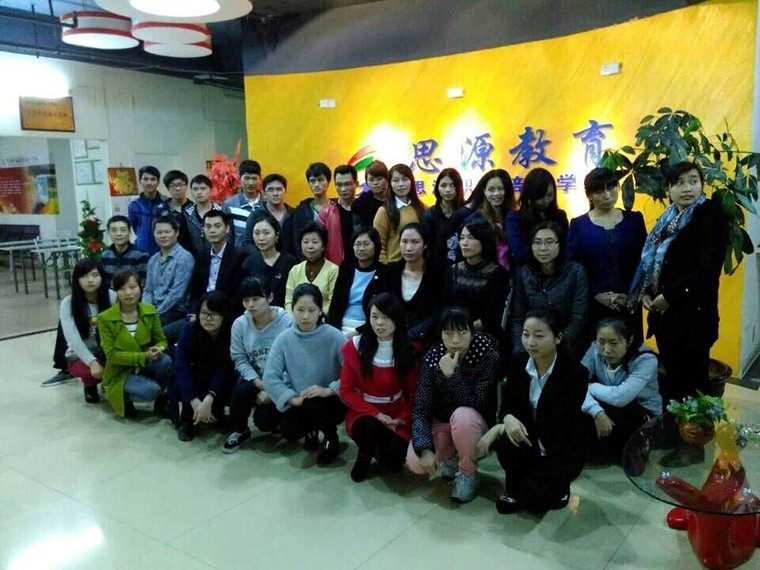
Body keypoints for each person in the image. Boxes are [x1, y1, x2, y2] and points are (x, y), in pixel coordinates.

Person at [628, 161, 727, 466]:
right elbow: (654, 264)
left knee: (693, 383)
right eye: (679, 183)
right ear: (668, 189)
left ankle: (693, 446)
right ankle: (674, 433)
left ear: (702, 185)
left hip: (693, 317)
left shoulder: (709, 215)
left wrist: (669, 296)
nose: (687, 188)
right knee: (673, 380)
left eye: (693, 181)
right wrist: (646, 293)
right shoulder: (668, 218)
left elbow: (707, 270)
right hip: (667, 319)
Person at [479, 310, 588, 514]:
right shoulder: (518, 362)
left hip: (558, 448)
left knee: (534, 500)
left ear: (558, 338)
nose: (530, 342)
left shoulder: (576, 374)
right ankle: (512, 486)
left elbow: (557, 424)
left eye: (539, 336)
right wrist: (507, 418)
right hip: (529, 442)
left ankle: (559, 485)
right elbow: (507, 405)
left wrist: (500, 427)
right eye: (525, 334)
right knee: (507, 442)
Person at [407, 306, 501, 503]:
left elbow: (477, 402)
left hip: (475, 422)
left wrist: (452, 375)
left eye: (462, 332)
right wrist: (424, 448)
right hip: (443, 422)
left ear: (472, 333)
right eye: (448, 333)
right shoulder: (433, 356)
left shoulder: (487, 354)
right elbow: (421, 407)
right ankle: (451, 458)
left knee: (463, 416)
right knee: (416, 462)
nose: (455, 340)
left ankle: (468, 472)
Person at [263, 284, 346, 466]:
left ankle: (331, 438)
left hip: (331, 400)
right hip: (302, 399)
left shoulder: (335, 336)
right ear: (292, 309)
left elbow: (353, 373)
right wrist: (293, 399)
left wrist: (328, 390)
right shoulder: (284, 339)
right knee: (290, 430)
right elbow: (270, 378)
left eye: (311, 310)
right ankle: (311, 430)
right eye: (300, 310)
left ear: (320, 311)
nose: (305, 316)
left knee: (314, 402)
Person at [340, 293, 419, 482]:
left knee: (394, 462)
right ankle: (365, 454)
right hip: (365, 411)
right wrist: (376, 414)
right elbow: (346, 391)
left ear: (397, 319)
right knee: (366, 426)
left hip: (396, 413)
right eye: (374, 317)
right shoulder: (355, 347)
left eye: (386, 317)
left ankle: (380, 446)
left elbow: (414, 394)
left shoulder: (408, 350)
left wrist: (401, 419)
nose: (379, 323)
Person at [567, 167, 647, 342]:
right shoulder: (579, 225)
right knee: (598, 350)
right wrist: (597, 294)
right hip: (594, 305)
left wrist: (633, 295)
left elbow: (645, 261)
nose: (607, 195)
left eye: (611, 188)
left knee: (630, 348)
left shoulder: (634, 220)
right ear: (589, 195)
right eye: (599, 191)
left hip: (630, 303)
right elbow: (573, 267)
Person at [224, 278, 294, 453]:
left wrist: (272, 390)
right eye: (246, 300)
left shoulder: (287, 323)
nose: (250, 305)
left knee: (265, 421)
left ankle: (280, 420)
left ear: (270, 298)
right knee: (239, 393)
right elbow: (239, 358)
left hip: (281, 379)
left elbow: (293, 362)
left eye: (256, 299)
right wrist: (257, 382)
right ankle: (239, 431)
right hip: (256, 377)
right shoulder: (240, 324)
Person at [581, 318, 661, 462]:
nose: (606, 350)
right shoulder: (594, 349)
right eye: (601, 341)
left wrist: (590, 386)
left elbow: (620, 398)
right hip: (609, 406)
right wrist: (596, 412)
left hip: (642, 413)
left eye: (614, 343)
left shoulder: (646, 359)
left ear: (629, 341)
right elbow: (575, 384)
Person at [98, 270, 173, 418]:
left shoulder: (150, 311)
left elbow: (161, 339)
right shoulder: (105, 318)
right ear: (116, 291)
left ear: (140, 287)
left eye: (133, 287)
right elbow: (112, 356)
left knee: (165, 361)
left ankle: (162, 401)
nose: (128, 293)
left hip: (144, 366)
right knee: (150, 390)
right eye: (122, 289)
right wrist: (144, 356)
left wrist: (160, 348)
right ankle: (123, 398)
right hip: (120, 371)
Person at [511, 221, 588, 355]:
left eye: (549, 242)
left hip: (566, 345)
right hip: (531, 344)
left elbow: (578, 316)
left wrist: (557, 344)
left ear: (560, 244)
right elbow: (518, 317)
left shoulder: (576, 272)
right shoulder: (524, 273)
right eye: (537, 242)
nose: (542, 248)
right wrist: (522, 348)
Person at [175, 291, 236, 441]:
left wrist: (210, 397)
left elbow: (226, 366)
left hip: (219, 378)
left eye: (214, 314)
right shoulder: (189, 329)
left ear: (224, 315)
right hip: (194, 376)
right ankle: (187, 420)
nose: (208, 318)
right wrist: (194, 400)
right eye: (204, 313)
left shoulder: (231, 332)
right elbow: (182, 365)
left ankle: (217, 412)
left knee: (231, 377)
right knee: (185, 378)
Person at [446, 213, 510, 345]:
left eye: (471, 238)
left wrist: (466, 330)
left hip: (484, 336)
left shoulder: (498, 274)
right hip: (452, 332)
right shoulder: (452, 270)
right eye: (462, 238)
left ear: (484, 240)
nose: (464, 243)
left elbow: (493, 316)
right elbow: (444, 306)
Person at [60, 259, 116, 403]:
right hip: (80, 355)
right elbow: (72, 338)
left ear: (102, 277)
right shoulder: (68, 303)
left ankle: (110, 382)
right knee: (88, 371)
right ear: (76, 279)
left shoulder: (112, 296)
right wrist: (91, 362)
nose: (90, 280)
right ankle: (89, 385)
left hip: (108, 350)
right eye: (84, 276)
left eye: (95, 275)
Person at [385, 223, 441, 346]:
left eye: (415, 242)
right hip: (391, 334)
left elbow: (439, 311)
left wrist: (413, 334)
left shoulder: (437, 273)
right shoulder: (391, 271)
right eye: (404, 242)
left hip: (425, 338)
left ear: (425, 244)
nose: (408, 248)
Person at [452, 169, 516, 271]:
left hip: (511, 274)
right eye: (491, 190)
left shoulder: (513, 218)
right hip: (486, 274)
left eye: (500, 189)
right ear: (484, 192)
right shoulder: (475, 220)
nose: (496, 193)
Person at [326, 226, 386, 336]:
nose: (361, 248)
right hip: (341, 326)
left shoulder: (385, 272)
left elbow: (385, 309)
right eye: (357, 244)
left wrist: (359, 331)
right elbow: (335, 305)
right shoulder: (346, 270)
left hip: (368, 329)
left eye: (366, 244)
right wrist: (333, 332)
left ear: (376, 245)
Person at [188, 210, 247, 316]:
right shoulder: (201, 256)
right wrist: (195, 312)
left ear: (227, 228)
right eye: (208, 226)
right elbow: (195, 291)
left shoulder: (239, 257)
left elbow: (237, 296)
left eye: (217, 226)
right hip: (202, 312)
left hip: (226, 312)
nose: (212, 231)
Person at [506, 167, 569, 266]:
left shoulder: (560, 216)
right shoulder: (515, 218)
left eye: (549, 195)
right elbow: (520, 252)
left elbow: (566, 247)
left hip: (558, 269)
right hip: (528, 271)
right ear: (530, 195)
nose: (546, 200)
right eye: (541, 196)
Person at [142, 216, 195, 327]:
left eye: (167, 232)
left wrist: (155, 314)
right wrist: (146, 310)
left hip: (174, 311)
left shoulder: (184, 258)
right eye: (159, 232)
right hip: (153, 309)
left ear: (176, 233)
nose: (163, 236)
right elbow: (148, 290)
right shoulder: (153, 260)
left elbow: (176, 294)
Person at [373, 163, 426, 263]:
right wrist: (385, 267)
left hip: (419, 266)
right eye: (396, 180)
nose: (401, 184)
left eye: (405, 179)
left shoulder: (422, 208)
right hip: (394, 265)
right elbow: (379, 245)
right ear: (390, 184)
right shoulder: (384, 211)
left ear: (411, 181)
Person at [241, 213, 296, 308]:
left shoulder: (290, 262)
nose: (261, 238)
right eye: (257, 233)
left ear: (277, 235)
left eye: (266, 233)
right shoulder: (248, 263)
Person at [284, 222, 339, 315]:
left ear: (323, 246)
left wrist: (314, 316)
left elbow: (333, 302)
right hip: (297, 320)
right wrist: (295, 318)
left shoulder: (333, 270)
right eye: (306, 242)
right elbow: (289, 301)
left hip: (323, 319)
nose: (310, 246)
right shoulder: (295, 270)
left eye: (315, 242)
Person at [180, 174, 233, 259]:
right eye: (195, 189)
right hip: (194, 259)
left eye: (203, 188)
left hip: (221, 257)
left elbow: (230, 236)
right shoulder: (187, 213)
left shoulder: (222, 210)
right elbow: (184, 240)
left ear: (211, 190)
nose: (199, 192)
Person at [421, 168, 465, 268]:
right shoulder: (429, 216)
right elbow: (427, 249)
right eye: (443, 185)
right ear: (437, 188)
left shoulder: (465, 214)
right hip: (436, 270)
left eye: (452, 185)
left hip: (462, 270)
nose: (448, 190)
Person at [242, 174, 295, 256]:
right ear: (264, 193)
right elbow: (247, 243)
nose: (275, 193)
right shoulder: (256, 215)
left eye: (279, 189)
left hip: (291, 261)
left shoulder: (294, 214)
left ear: (285, 191)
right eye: (271, 190)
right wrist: (264, 257)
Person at [318, 164, 361, 265]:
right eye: (339, 185)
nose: (343, 189)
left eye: (347, 184)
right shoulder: (326, 213)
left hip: (362, 263)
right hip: (335, 266)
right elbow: (320, 242)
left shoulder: (364, 208)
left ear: (356, 184)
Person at [291, 162, 332, 260]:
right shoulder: (301, 210)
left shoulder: (336, 208)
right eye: (312, 181)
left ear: (328, 182)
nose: (316, 184)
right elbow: (297, 240)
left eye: (320, 180)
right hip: (309, 260)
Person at [99, 215, 149, 284]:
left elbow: (143, 283)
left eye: (123, 230)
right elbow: (103, 282)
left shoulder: (141, 255)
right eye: (114, 230)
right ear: (108, 233)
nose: (119, 234)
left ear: (130, 232)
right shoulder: (105, 255)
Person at [128, 165, 164, 255]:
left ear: (158, 182)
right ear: (140, 181)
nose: (149, 183)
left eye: (153, 179)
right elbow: (135, 227)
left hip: (162, 250)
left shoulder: (166, 203)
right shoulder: (134, 205)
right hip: (141, 251)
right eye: (146, 179)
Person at [226, 160, 263, 246]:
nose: (251, 183)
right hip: (239, 253)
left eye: (254, 178)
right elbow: (228, 236)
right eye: (247, 178)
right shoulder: (229, 205)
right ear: (239, 179)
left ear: (259, 179)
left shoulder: (266, 203)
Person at [353, 160, 388, 228]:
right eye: (371, 180)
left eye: (379, 179)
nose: (375, 183)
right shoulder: (360, 203)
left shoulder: (395, 199)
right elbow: (357, 229)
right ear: (366, 182)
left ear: (387, 180)